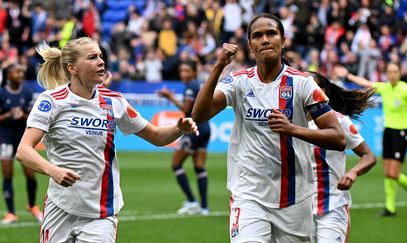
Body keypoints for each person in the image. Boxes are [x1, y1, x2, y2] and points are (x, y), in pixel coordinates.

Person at [15, 37, 198, 243]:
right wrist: (53, 170)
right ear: (72, 68)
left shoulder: (115, 101)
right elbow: (23, 150)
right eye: (92, 57)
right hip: (60, 206)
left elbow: (156, 136)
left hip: (102, 212)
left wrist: (178, 128)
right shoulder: (51, 101)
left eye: (101, 56)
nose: (101, 61)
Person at [192, 13, 346, 243]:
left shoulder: (303, 83)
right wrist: (218, 66)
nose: (265, 39)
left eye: (271, 33)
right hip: (248, 194)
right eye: (257, 35)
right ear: (251, 46)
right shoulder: (238, 82)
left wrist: (292, 129)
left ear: (283, 41)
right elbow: (199, 114)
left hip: (295, 198)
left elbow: (338, 138)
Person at [335, 63, 407, 216]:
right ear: (386, 74)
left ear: (399, 73)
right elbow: (365, 83)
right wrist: (347, 75)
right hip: (388, 132)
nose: (392, 74)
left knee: (394, 173)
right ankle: (390, 208)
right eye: (390, 72)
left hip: (402, 132)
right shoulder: (384, 87)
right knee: (388, 173)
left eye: (395, 71)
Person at [308, 72, 377, 242]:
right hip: (297, 209)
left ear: (321, 92)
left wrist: (353, 172)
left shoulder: (339, 121)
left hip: (332, 206)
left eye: (307, 84)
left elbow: (368, 156)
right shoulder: (291, 121)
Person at [158, 60, 211, 215]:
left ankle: (192, 201)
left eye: (187, 70)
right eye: (181, 71)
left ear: (194, 72)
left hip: (193, 128)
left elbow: (186, 109)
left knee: (176, 164)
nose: (183, 74)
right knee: (199, 167)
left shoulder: (191, 86)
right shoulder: (198, 84)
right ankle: (204, 207)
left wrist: (170, 98)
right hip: (205, 127)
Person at [0, 63, 43, 224]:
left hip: (24, 139)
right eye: (17, 72)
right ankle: (11, 213)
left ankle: (32, 205)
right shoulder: (0, 93)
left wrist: (22, 116)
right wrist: (9, 114)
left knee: (31, 175)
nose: (21, 74)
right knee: (7, 175)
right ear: (9, 76)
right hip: (6, 138)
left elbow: (32, 116)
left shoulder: (28, 92)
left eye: (22, 71)